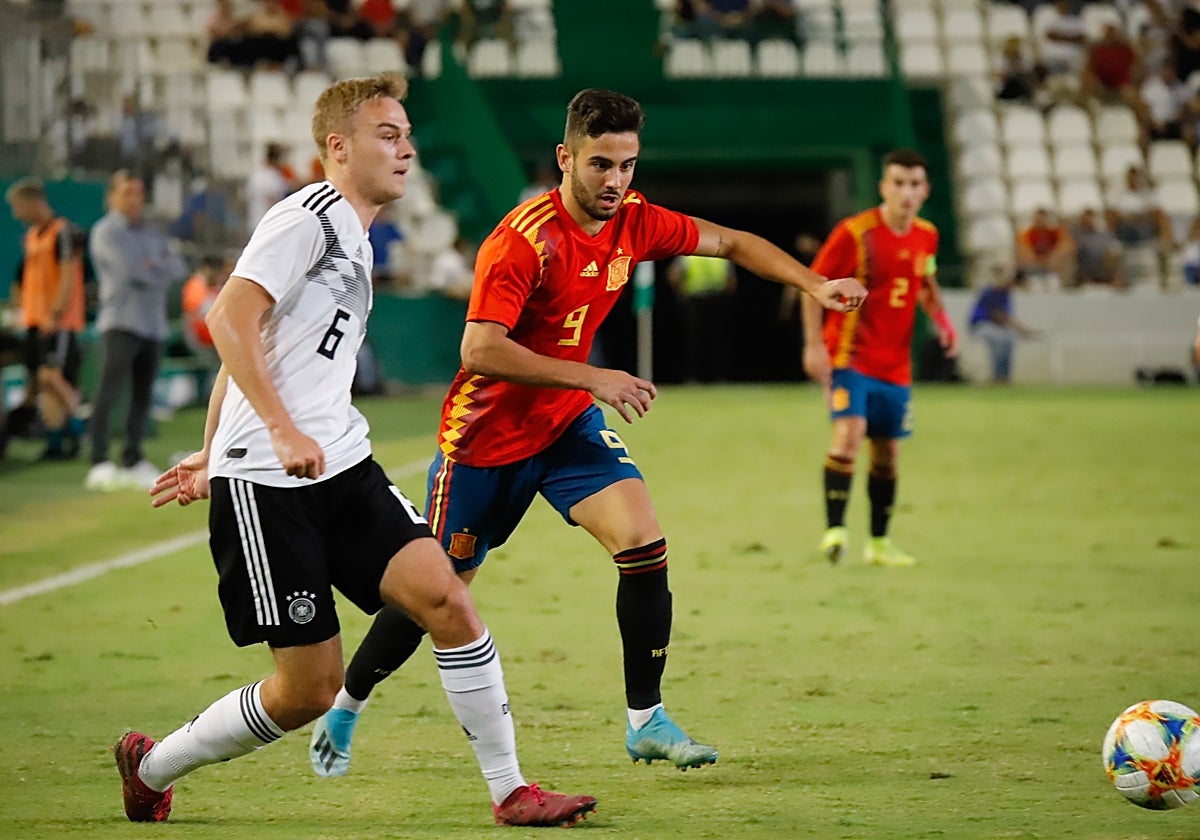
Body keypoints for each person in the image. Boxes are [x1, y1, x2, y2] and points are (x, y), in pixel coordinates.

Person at [306, 87, 867, 780]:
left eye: (627, 165)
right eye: (601, 164)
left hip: (566, 427)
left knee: (644, 544)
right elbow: (479, 350)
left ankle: (645, 721)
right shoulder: (522, 240)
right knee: (437, 593)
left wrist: (815, 284)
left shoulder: (634, 221)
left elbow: (731, 242)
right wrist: (592, 376)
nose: (615, 181)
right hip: (484, 443)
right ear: (565, 158)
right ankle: (347, 703)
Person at [115, 73, 597, 829]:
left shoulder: (355, 237)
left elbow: (254, 343)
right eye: (388, 135)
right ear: (338, 147)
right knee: (308, 690)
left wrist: (211, 448)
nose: (407, 149)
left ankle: (511, 792)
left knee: (447, 599)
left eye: (408, 135)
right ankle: (150, 767)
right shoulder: (306, 216)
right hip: (272, 485)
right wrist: (268, 436)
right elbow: (228, 316)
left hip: (340, 463)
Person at [801, 148, 957, 568]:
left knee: (887, 454)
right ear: (883, 187)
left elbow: (925, 281)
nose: (906, 192)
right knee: (849, 436)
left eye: (914, 184)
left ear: (925, 191)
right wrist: (814, 345)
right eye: (898, 183)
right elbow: (812, 286)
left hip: (896, 366)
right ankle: (835, 532)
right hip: (850, 357)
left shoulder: (926, 234)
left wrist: (943, 322)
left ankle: (880, 543)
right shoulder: (855, 233)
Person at [85, 172, 188, 491]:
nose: (134, 199)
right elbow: (130, 271)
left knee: (143, 394)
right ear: (112, 197)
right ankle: (99, 460)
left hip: (153, 323)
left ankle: (133, 458)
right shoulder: (106, 231)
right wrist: (157, 265)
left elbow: (177, 268)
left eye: (138, 193)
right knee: (109, 391)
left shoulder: (152, 232)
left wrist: (151, 265)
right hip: (121, 321)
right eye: (126, 192)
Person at [4, 178, 87, 460]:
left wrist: (55, 313)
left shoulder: (63, 232)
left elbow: (67, 276)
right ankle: (56, 441)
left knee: (52, 377)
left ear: (33, 202)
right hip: (34, 320)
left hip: (57, 321)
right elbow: (22, 278)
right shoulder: (31, 237)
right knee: (41, 380)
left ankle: (79, 425)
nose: (16, 214)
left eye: (18, 206)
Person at [667, 253, 736, 383]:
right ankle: (696, 376)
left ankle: (713, 376)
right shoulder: (691, 256)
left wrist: (681, 293)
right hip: (698, 300)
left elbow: (673, 275)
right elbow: (673, 275)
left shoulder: (690, 256)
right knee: (697, 340)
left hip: (711, 300)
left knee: (713, 340)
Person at [968, 262, 1036, 384]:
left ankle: (1005, 376)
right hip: (980, 325)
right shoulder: (990, 291)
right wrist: (1023, 330)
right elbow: (998, 316)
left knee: (1009, 339)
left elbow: (1006, 317)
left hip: (996, 327)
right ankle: (997, 376)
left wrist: (1022, 331)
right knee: (999, 340)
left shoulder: (1006, 296)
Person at [1016, 207, 1077, 289]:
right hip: (1034, 265)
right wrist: (1035, 259)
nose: (1040, 221)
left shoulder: (1054, 232)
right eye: (1038, 219)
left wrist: (1054, 256)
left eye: (1042, 218)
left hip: (1052, 265)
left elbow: (1068, 245)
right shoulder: (1027, 233)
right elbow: (1023, 248)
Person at [246, 142, 298, 233]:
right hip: (269, 225)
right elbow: (272, 200)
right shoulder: (273, 177)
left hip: (255, 222)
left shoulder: (257, 175)